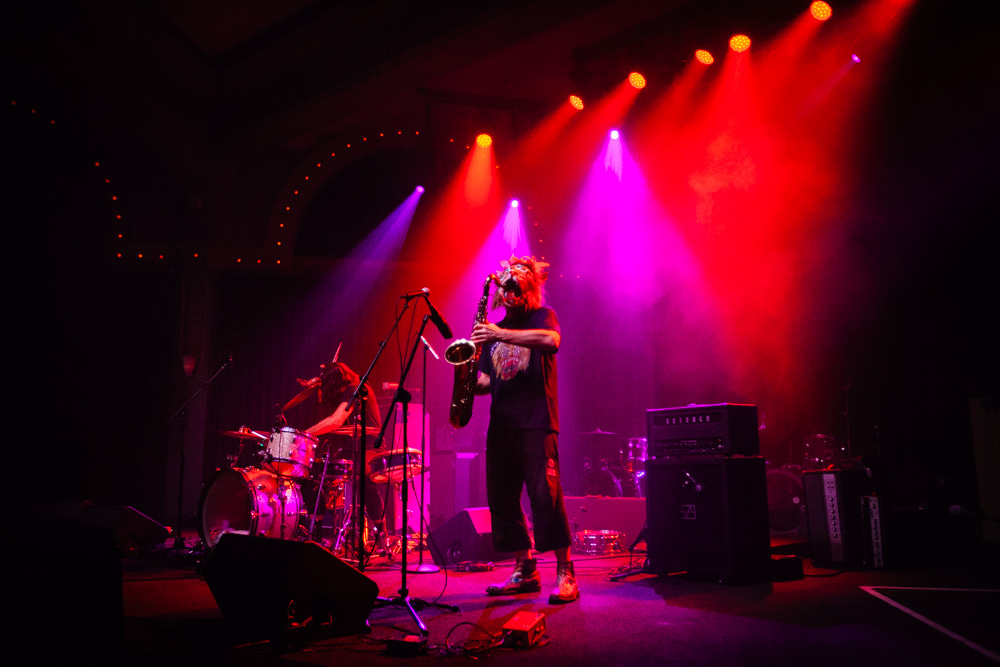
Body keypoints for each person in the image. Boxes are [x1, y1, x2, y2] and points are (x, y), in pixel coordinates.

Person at [470, 255, 578, 604]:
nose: (511, 282)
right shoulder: (493, 329)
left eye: (519, 277)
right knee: (502, 500)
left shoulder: (541, 317)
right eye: (507, 279)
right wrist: (467, 376)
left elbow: (551, 341)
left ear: (531, 286)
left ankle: (565, 572)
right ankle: (525, 569)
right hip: (502, 424)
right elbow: (488, 381)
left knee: (545, 497)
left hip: (537, 421)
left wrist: (500, 333)